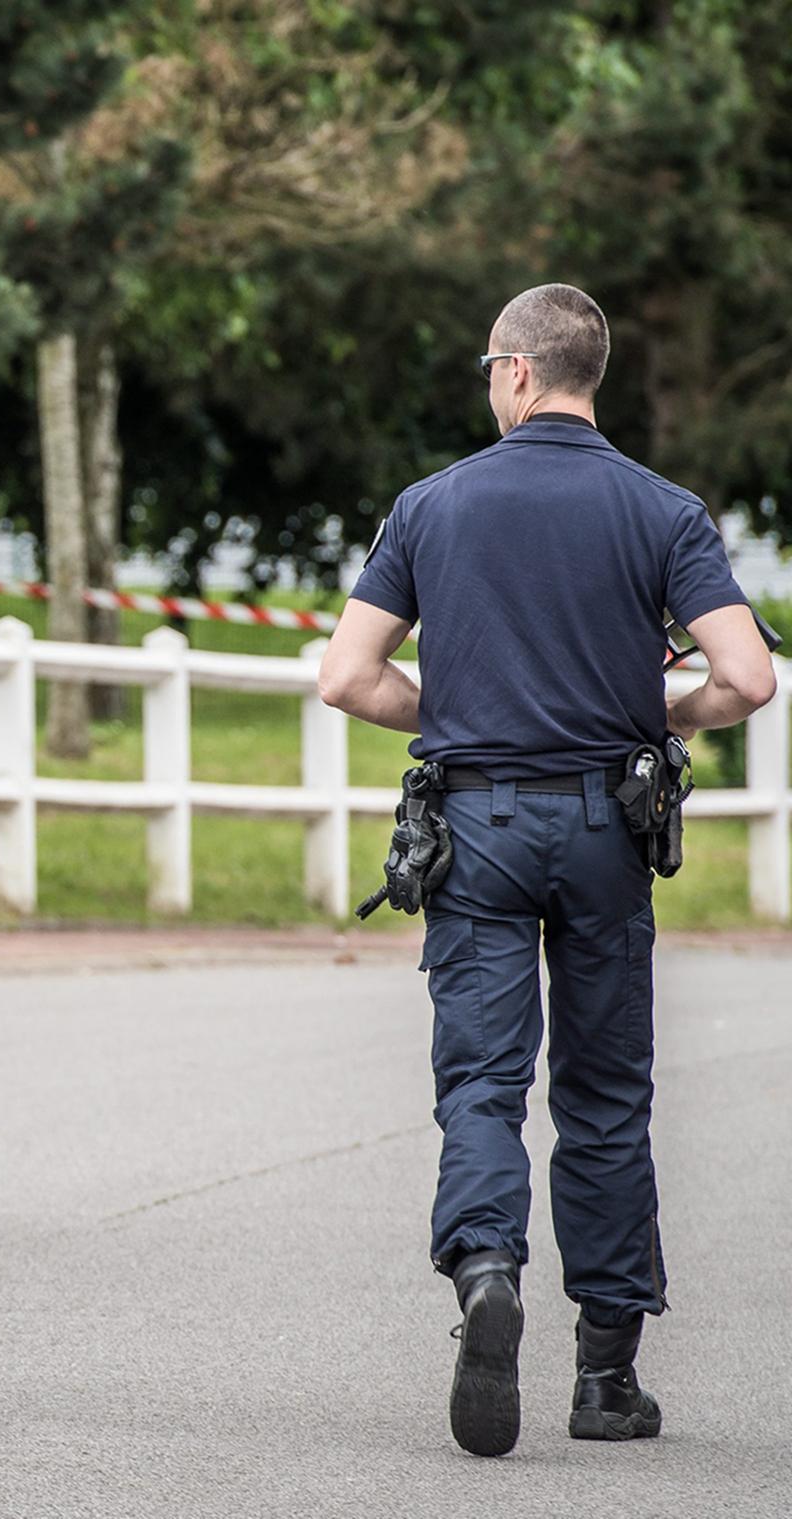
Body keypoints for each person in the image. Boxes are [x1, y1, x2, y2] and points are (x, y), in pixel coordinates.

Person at [318, 284, 776, 1456]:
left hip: (472, 824)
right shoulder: (662, 510)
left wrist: (456, 709)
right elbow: (746, 677)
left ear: (517, 373)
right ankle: (606, 1377)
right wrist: (666, 714)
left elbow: (347, 678)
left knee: (480, 1082)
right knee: (605, 1097)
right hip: (600, 828)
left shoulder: (431, 506)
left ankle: (483, 1267)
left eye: (487, 365)